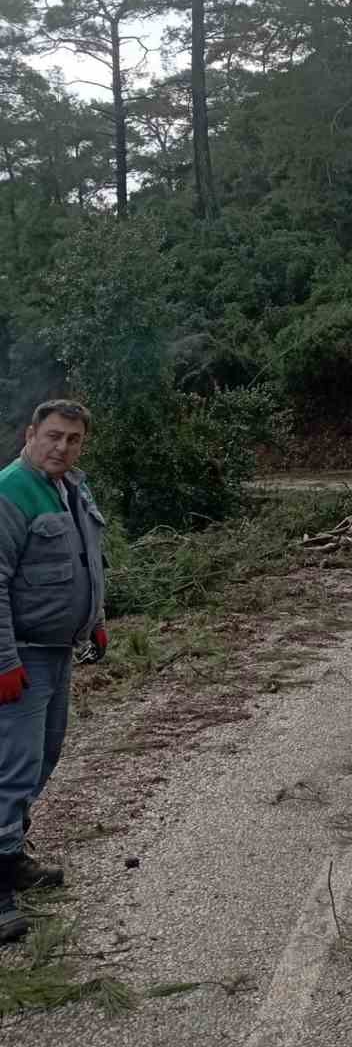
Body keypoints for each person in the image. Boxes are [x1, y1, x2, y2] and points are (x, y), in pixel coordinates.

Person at [0, 400, 107, 944]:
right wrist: (4, 664)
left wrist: (96, 621)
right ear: (31, 434)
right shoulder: (10, 492)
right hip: (22, 656)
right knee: (12, 769)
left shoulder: (71, 488)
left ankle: (13, 857)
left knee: (44, 758)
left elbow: (90, 559)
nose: (63, 447)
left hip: (59, 650)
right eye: (54, 437)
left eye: (73, 439)